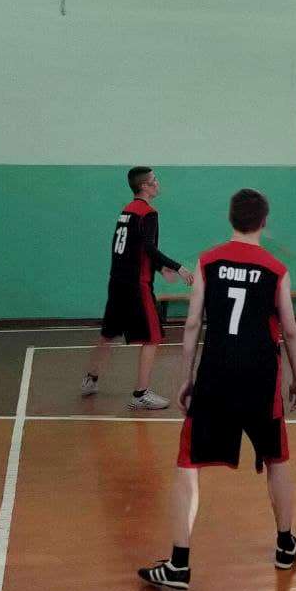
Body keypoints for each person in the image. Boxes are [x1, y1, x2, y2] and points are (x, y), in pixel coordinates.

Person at [138, 189, 296, 591]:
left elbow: (192, 324)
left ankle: (179, 564)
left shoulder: (208, 261)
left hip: (216, 375)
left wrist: (186, 377)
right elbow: (291, 331)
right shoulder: (276, 269)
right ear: (263, 222)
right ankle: (285, 545)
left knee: (188, 464)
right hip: (261, 378)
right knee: (276, 459)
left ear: (230, 218)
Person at [81, 167, 194, 410]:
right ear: (144, 186)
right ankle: (140, 394)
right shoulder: (148, 213)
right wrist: (178, 267)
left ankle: (90, 379)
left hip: (118, 282)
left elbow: (133, 248)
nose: (157, 183)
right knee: (152, 338)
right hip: (136, 285)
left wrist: (159, 268)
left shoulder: (126, 212)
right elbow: (149, 247)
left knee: (108, 334)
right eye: (154, 180)